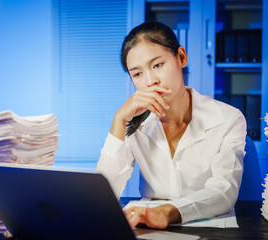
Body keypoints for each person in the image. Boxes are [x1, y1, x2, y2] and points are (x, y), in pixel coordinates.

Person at [96, 21, 246, 229]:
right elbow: (102, 197)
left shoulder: (228, 118)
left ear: (181, 57)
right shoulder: (134, 124)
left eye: (158, 65)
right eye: (137, 74)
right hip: (149, 229)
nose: (150, 81)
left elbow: (224, 192)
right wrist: (118, 121)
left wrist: (169, 212)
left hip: (210, 228)